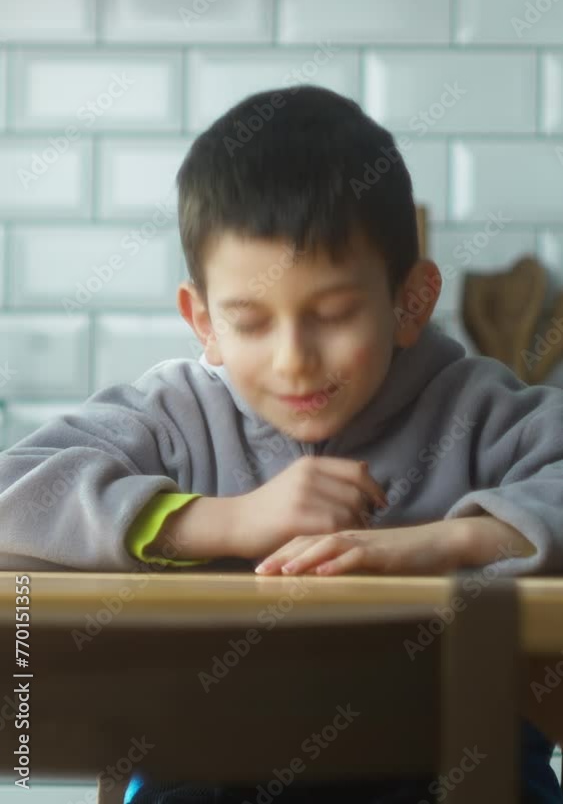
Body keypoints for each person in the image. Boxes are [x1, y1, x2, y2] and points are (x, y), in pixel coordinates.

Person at [0, 85, 561, 803]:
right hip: (207, 767)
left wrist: (437, 546)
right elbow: (17, 489)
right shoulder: (175, 414)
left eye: (331, 314)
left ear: (410, 301)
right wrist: (219, 521)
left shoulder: (476, 407)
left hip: (447, 767)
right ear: (202, 321)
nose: (293, 359)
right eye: (250, 322)